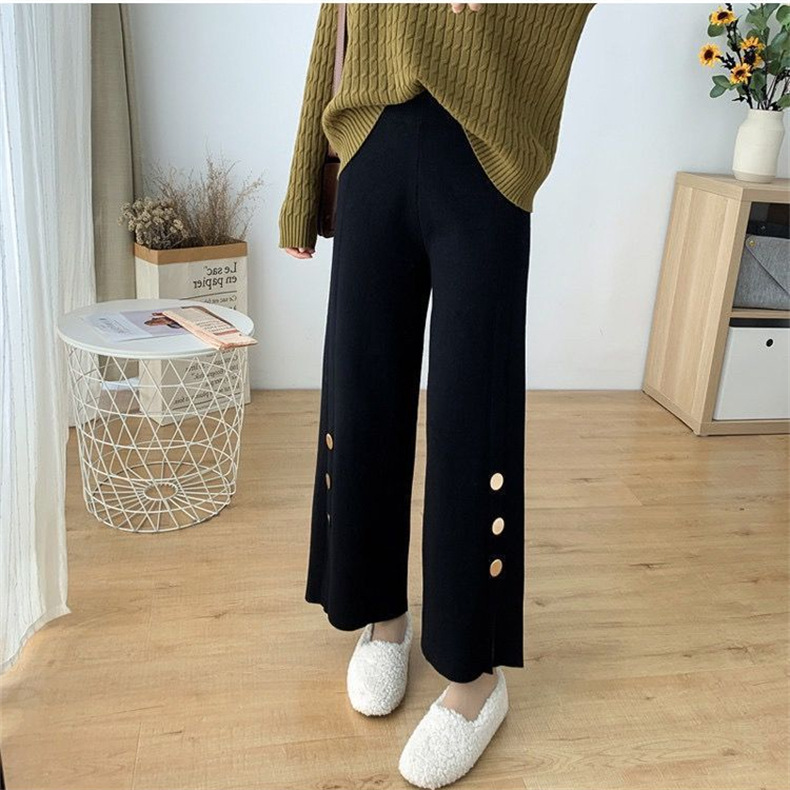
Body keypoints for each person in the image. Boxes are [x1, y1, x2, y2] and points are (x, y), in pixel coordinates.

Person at [278, 3, 595, 787]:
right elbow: (337, 19)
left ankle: (474, 675)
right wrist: (305, 175)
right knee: (360, 403)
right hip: (370, 142)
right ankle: (383, 616)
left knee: (469, 422)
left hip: (484, 151)